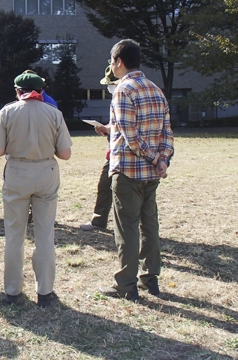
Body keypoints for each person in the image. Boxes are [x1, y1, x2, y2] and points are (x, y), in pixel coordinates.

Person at [98, 39, 174, 301]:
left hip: (129, 171)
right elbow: (167, 132)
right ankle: (150, 278)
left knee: (127, 228)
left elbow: (130, 137)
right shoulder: (156, 90)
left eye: (111, 61)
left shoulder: (123, 90)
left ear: (119, 61)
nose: (111, 66)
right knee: (149, 224)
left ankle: (126, 285)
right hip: (152, 174)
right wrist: (163, 159)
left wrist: (154, 158)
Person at [0, 72, 73, 307]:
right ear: (42, 91)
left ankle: (13, 292)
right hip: (46, 171)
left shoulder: (8, 111)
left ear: (18, 91)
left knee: (14, 235)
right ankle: (45, 292)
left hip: (17, 171)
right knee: (45, 234)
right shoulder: (54, 113)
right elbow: (65, 154)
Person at [80, 66, 120, 231]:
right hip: (112, 153)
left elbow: (124, 127)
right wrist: (106, 129)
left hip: (123, 155)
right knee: (104, 186)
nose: (108, 88)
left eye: (110, 83)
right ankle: (99, 220)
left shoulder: (124, 96)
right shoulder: (116, 98)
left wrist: (109, 129)